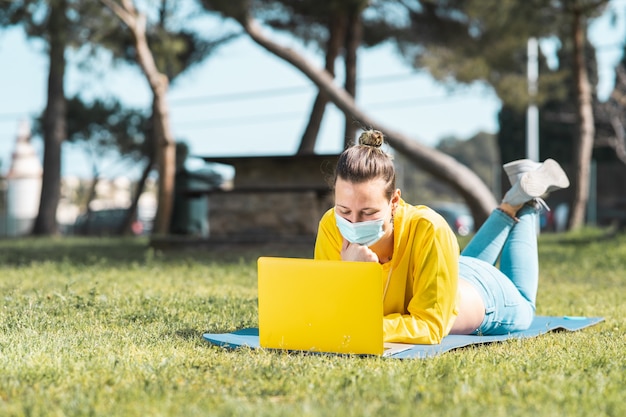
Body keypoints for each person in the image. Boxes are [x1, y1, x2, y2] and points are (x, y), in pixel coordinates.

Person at [314, 129, 570, 344]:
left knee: (526, 308)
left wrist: (360, 294)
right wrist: (350, 278)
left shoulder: (430, 229)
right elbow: (329, 310)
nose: (353, 223)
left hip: (486, 295)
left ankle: (526, 202)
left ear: (394, 202)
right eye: (344, 210)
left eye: (368, 212)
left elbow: (430, 326)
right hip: (447, 272)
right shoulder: (330, 225)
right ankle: (513, 199)